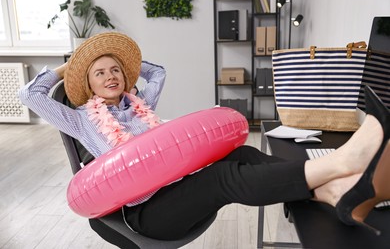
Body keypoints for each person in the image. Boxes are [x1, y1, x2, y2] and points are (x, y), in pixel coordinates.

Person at [19, 32, 390, 240]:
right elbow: (29, 95)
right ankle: (342, 163)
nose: (111, 76)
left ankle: (331, 192)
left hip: (179, 188)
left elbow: (158, 74)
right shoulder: (81, 119)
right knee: (220, 178)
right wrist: (76, 62)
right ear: (86, 83)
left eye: (116, 70)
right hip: (147, 212)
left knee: (239, 156)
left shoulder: (138, 103)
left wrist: (123, 59)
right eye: (99, 73)